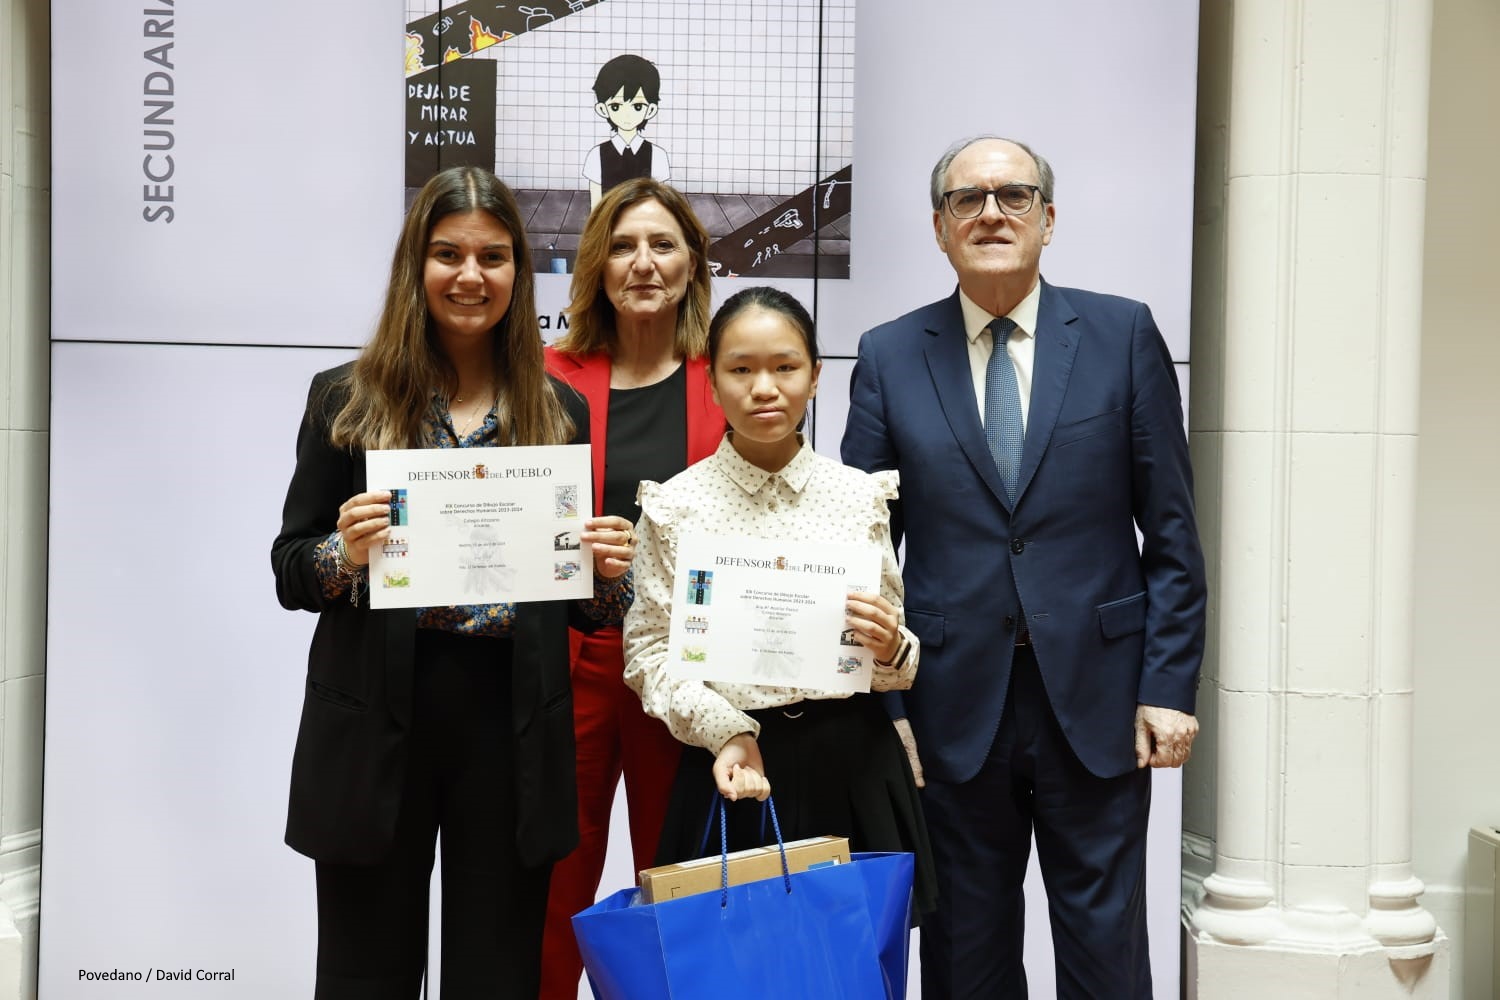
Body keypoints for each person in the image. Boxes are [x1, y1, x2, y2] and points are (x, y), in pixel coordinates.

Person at [840, 136, 1208, 998]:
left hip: (1101, 696)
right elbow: (860, 549)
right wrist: (885, 705)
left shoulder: (1121, 333)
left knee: (1106, 950)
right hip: (948, 704)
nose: (992, 212)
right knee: (966, 954)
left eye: (1014, 195)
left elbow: (1174, 532)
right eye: (968, 200)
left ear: (1049, 217)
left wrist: (1169, 684)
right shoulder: (891, 353)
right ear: (939, 227)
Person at [271, 165, 639, 999]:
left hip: (509, 723)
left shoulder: (557, 410)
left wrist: (606, 572)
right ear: (417, 266)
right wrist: (344, 553)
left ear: (518, 271)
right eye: (449, 254)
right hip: (377, 716)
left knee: (497, 974)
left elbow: (581, 601)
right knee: (368, 972)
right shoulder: (347, 400)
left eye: (494, 256)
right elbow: (291, 567)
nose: (471, 276)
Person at [622, 285, 935, 917]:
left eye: (785, 367)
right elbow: (648, 650)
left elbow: (894, 656)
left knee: (856, 968)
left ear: (816, 377)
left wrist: (889, 646)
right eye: (741, 369)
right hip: (735, 764)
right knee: (732, 967)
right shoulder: (674, 505)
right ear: (712, 381)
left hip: (853, 758)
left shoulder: (858, 496)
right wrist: (727, 733)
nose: (764, 387)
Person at [538, 177, 723, 998]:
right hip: (564, 665)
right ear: (595, 266)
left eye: (662, 245)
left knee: (676, 888)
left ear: (692, 264)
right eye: (621, 245)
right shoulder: (544, 375)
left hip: (684, 674)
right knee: (549, 891)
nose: (642, 263)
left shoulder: (729, 380)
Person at [582, 54, 672, 209]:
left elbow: (661, 205)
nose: (627, 115)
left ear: (651, 110)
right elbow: (595, 206)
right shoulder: (596, 155)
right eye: (616, 106)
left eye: (637, 106)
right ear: (602, 109)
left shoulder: (658, 155)